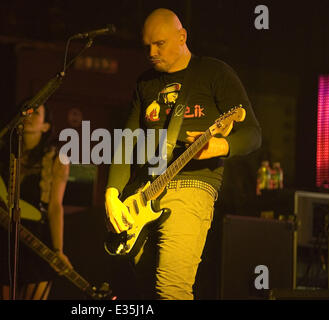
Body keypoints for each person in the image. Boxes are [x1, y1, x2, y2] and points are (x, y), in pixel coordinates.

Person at [104, 8, 262, 299]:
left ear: (182, 37)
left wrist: (220, 146)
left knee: (171, 289)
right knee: (141, 292)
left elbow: (253, 134)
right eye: (147, 46)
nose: (151, 52)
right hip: (144, 192)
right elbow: (127, 140)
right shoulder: (145, 83)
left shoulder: (214, 73)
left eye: (159, 44)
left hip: (192, 184)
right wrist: (113, 192)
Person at [0, 104, 73, 300]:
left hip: (37, 236)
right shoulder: (3, 152)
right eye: (26, 111)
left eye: (36, 113)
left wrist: (58, 250)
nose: (29, 116)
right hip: (5, 234)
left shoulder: (57, 158)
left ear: (45, 126)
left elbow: (55, 206)